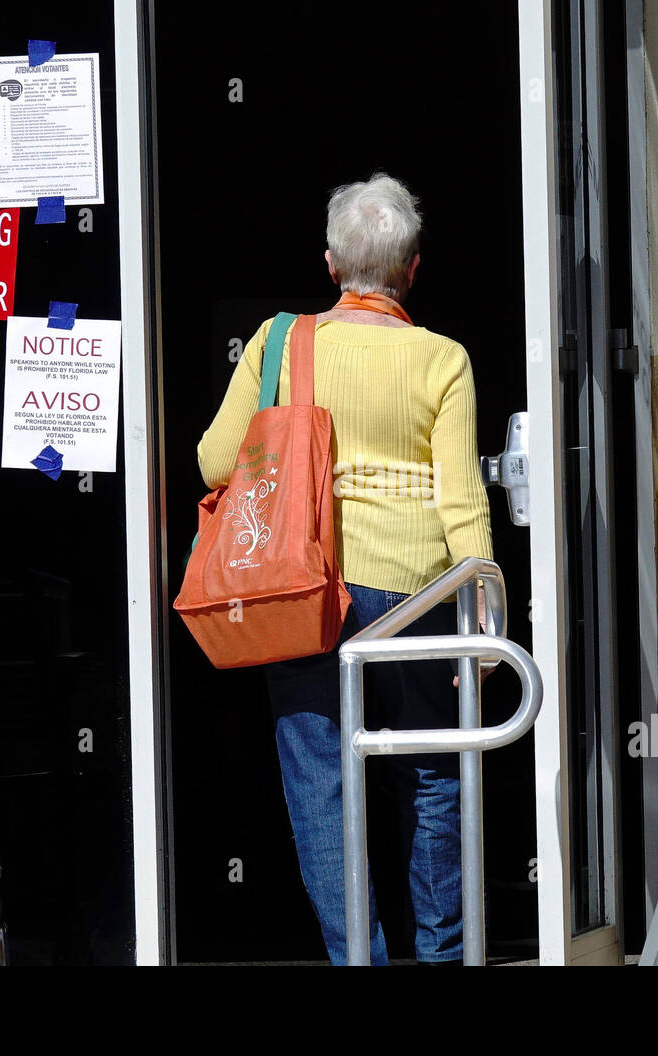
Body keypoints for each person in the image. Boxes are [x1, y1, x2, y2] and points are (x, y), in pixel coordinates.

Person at [196, 173, 493, 964]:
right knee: (435, 771)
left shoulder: (278, 341)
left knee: (322, 789)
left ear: (330, 265)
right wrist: (486, 620)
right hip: (417, 592)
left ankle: (356, 957)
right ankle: (442, 955)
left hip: (304, 587)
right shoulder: (444, 359)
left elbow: (213, 460)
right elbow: (462, 501)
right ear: (413, 270)